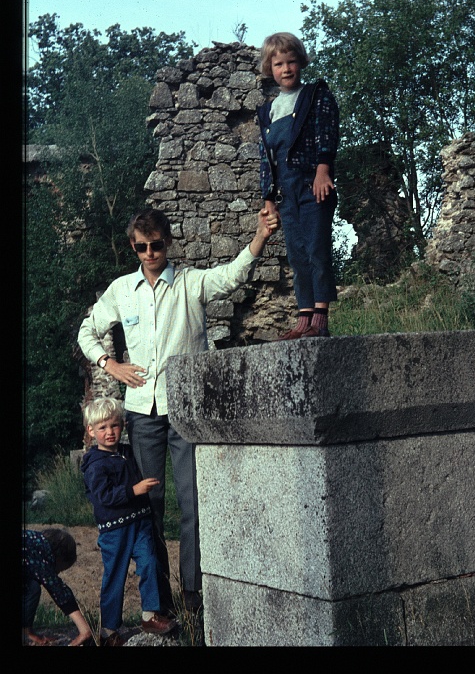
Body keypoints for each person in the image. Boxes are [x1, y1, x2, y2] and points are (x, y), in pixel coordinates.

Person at [77, 206, 279, 616]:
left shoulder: (189, 283)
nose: (149, 253)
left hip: (186, 409)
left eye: (155, 245)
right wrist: (110, 364)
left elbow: (233, 275)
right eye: (141, 247)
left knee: (193, 505)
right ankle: (159, 603)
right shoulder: (121, 290)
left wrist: (260, 236)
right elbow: (88, 330)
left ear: (168, 242)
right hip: (141, 411)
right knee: (149, 507)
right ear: (133, 247)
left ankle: (193, 595)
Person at [257, 31, 339, 340]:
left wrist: (322, 170)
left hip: (312, 184)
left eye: (292, 62)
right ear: (270, 68)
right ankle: (304, 316)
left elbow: (327, 132)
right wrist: (268, 199)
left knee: (316, 247)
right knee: (296, 253)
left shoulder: (316, 95)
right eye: (279, 64)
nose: (286, 69)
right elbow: (267, 158)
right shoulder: (268, 111)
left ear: (300, 63)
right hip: (285, 194)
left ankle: (320, 317)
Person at [81, 397, 175, 646]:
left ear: (122, 425)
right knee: (115, 576)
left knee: (149, 563)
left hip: (140, 522)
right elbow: (103, 498)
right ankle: (109, 630)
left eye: (114, 426)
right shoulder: (95, 464)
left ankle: (150, 614)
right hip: (115, 530)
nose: (109, 432)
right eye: (102, 428)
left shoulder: (126, 452)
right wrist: (134, 491)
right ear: (91, 431)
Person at [22, 527, 93, 646]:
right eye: (58, 569)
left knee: (30, 585)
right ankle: (26, 633)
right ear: (59, 557)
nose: (57, 574)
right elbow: (59, 591)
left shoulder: (32, 541)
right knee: (33, 588)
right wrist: (84, 630)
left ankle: (26, 631)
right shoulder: (42, 553)